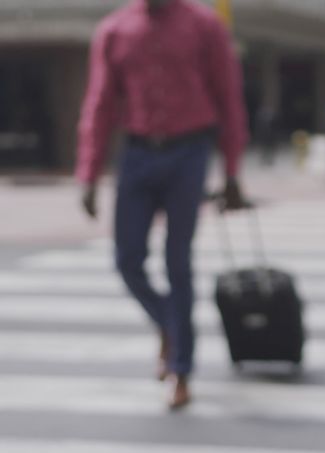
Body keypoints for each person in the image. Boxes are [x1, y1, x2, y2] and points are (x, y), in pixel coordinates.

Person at [77, 0, 249, 410]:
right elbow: (99, 104)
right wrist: (89, 174)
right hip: (136, 153)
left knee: (178, 263)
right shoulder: (115, 29)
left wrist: (232, 170)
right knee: (127, 260)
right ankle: (168, 325)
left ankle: (181, 369)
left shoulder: (204, 24)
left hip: (188, 152)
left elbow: (228, 98)